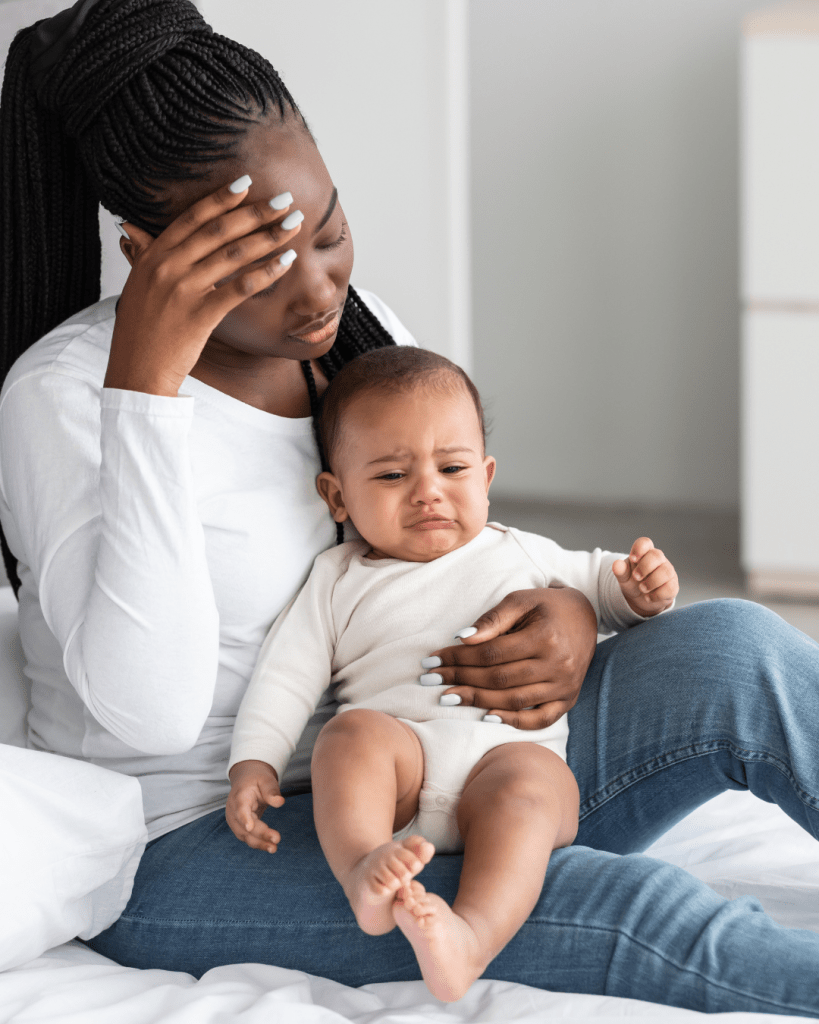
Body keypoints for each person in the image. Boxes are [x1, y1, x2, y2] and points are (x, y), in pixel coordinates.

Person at [1, 0, 819, 1015]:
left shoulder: (360, 328)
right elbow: (153, 709)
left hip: (442, 744)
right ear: (144, 250)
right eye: (261, 265)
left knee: (740, 650)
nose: (316, 292)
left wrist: (563, 619)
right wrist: (145, 390)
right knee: (618, 906)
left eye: (330, 232)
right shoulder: (65, 399)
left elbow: (465, 540)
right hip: (207, 833)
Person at [225, 346, 680, 1002]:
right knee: (350, 737)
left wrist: (643, 589)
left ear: (486, 475)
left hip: (504, 764)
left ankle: (469, 937)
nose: (428, 491)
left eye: (452, 467)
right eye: (389, 476)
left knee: (533, 785)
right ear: (336, 495)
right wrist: (254, 763)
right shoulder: (335, 579)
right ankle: (362, 870)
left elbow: (607, 590)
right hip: (401, 778)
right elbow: (285, 677)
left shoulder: (519, 550)